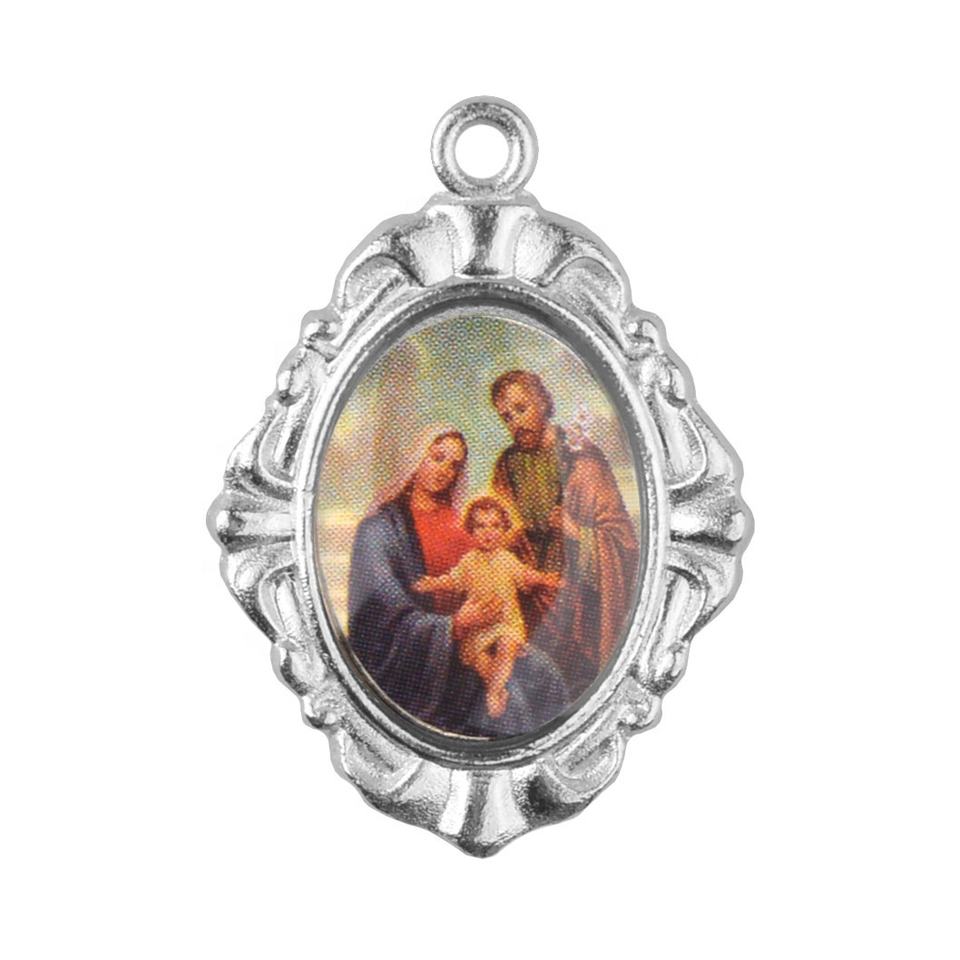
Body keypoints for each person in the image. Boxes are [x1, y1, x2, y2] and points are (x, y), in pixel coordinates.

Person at [347, 426, 568, 737]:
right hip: (427, 659)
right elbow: (379, 612)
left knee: (546, 677)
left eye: (454, 465)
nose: (445, 471)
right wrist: (454, 626)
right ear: (416, 458)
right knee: (511, 706)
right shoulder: (379, 530)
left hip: (487, 635)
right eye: (437, 458)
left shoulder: (463, 521)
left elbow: (494, 570)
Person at [490, 370, 640, 697]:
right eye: (507, 417)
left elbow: (623, 541)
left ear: (543, 402)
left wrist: (575, 530)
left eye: (522, 408)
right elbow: (500, 526)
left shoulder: (582, 458)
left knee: (570, 681)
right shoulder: (507, 465)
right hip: (526, 591)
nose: (516, 422)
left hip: (577, 595)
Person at [413, 496, 561, 719]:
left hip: (506, 623)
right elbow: (453, 580)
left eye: (495, 526)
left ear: (504, 529)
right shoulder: (469, 561)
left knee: (506, 645)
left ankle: (494, 692)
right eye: (481, 526)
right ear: (471, 531)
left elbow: (525, 576)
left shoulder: (507, 559)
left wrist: (544, 579)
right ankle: (499, 689)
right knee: (478, 658)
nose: (488, 532)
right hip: (478, 628)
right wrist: (434, 583)